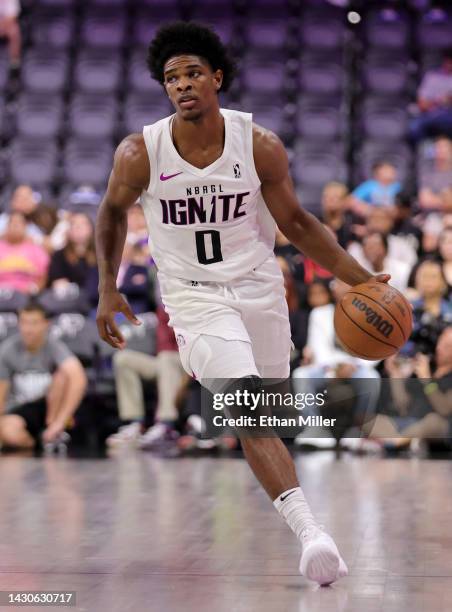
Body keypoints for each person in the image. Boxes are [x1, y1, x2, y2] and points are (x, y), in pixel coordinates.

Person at [95, 22, 390, 586]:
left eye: (192, 74)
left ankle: (275, 481)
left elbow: (298, 224)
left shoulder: (258, 145)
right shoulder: (141, 151)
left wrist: (357, 279)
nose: (181, 85)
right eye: (171, 78)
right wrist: (108, 286)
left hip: (258, 287)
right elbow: (110, 213)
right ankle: (312, 533)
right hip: (193, 296)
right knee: (247, 403)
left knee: (269, 411)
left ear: (217, 78)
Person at [292, 279, 381, 448]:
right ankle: (315, 429)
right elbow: (317, 346)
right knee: (300, 374)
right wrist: (335, 369)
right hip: (326, 367)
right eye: (338, 283)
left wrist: (353, 365)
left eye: (347, 282)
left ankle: (358, 431)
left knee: (371, 377)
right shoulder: (320, 313)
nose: (342, 287)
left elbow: (375, 349)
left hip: (357, 367)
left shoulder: (369, 315)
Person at [0, 301, 87, 451]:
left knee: (62, 376)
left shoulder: (54, 346)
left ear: (46, 324)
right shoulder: (8, 349)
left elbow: (78, 377)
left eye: (34, 323)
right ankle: (39, 444)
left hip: (49, 407)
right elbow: (1, 394)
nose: (28, 329)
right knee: (9, 433)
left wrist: (60, 421)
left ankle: (54, 428)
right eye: (24, 322)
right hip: (20, 409)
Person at [106, 305, 185, 449]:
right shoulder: (165, 307)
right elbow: (163, 345)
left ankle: (166, 425)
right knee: (123, 359)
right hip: (165, 362)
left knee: (166, 358)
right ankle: (135, 423)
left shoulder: (196, 303)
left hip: (189, 364)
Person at [47, 212, 98, 306]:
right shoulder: (59, 255)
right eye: (74, 224)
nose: (78, 227)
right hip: (67, 303)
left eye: (83, 224)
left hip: (96, 303)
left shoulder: (101, 255)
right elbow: (58, 283)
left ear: (91, 229)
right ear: (68, 231)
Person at [0, 211, 49, 294]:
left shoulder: (36, 249)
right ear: (7, 227)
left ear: (25, 227)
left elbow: (43, 277)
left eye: (19, 223)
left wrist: (35, 289)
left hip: (28, 294)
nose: (15, 226)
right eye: (12, 223)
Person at [410, 48, 452, 143]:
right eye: (448, 62)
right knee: (414, 126)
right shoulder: (432, 77)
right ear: (444, 61)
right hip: (433, 114)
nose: (450, 66)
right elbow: (422, 105)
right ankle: (425, 154)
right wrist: (439, 101)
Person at [418, 136, 452, 214]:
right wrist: (446, 200)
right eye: (438, 147)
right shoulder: (427, 172)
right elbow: (425, 201)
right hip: (432, 216)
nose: (441, 151)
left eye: (445, 148)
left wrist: (436, 198)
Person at [0, 0, 21, 69]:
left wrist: (2, 26)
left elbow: (12, 16)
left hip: (7, 25)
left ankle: (14, 63)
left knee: (15, 31)